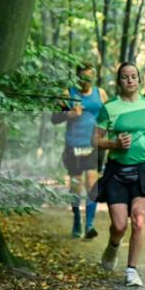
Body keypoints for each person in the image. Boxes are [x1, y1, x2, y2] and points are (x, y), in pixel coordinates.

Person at [93, 63, 145, 287]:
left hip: (141, 170)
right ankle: (112, 247)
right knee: (119, 225)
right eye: (125, 77)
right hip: (116, 171)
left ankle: (131, 270)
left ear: (139, 80)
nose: (130, 81)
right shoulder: (109, 107)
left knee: (138, 220)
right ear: (119, 81)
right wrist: (113, 143)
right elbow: (94, 140)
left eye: (134, 76)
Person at [51, 63, 106, 238]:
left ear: (94, 76)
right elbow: (54, 118)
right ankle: (77, 220)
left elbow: (109, 116)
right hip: (73, 145)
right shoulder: (68, 94)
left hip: (93, 145)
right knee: (76, 185)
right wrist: (69, 114)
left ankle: (89, 225)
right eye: (83, 78)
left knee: (91, 183)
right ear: (77, 77)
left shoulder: (101, 94)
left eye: (89, 77)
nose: (86, 81)